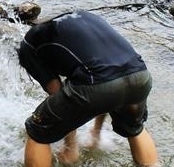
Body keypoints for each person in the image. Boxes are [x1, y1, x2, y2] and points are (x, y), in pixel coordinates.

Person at [17, 9, 159, 167]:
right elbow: (107, 82)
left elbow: (56, 93)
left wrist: (70, 147)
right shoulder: (83, 18)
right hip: (140, 76)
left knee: (39, 130)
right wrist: (95, 135)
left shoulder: (28, 47)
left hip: (99, 84)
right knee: (134, 128)